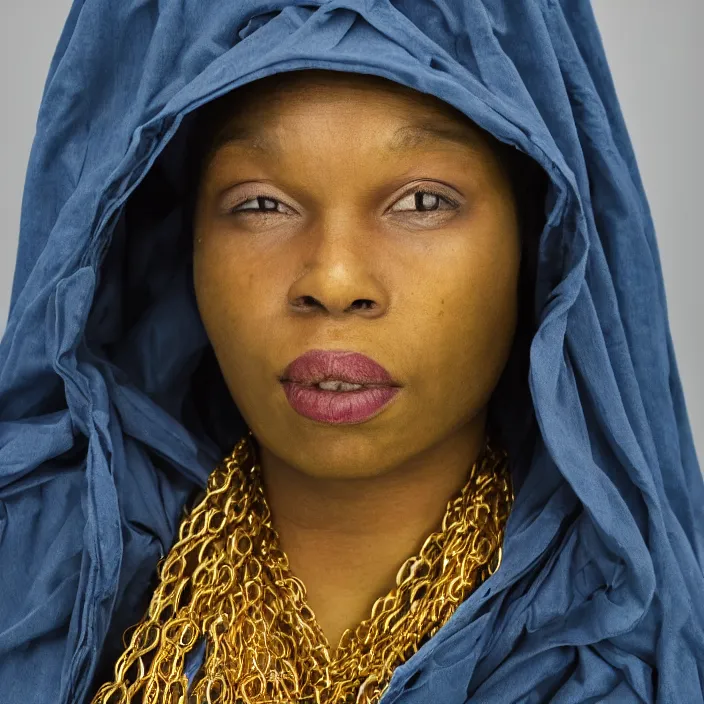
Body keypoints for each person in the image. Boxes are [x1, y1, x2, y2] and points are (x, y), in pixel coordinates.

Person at [0, 2, 702, 703]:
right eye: (261, 204)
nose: (334, 282)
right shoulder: (37, 594)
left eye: (424, 201)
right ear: (177, 246)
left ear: (538, 242)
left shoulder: (627, 669)